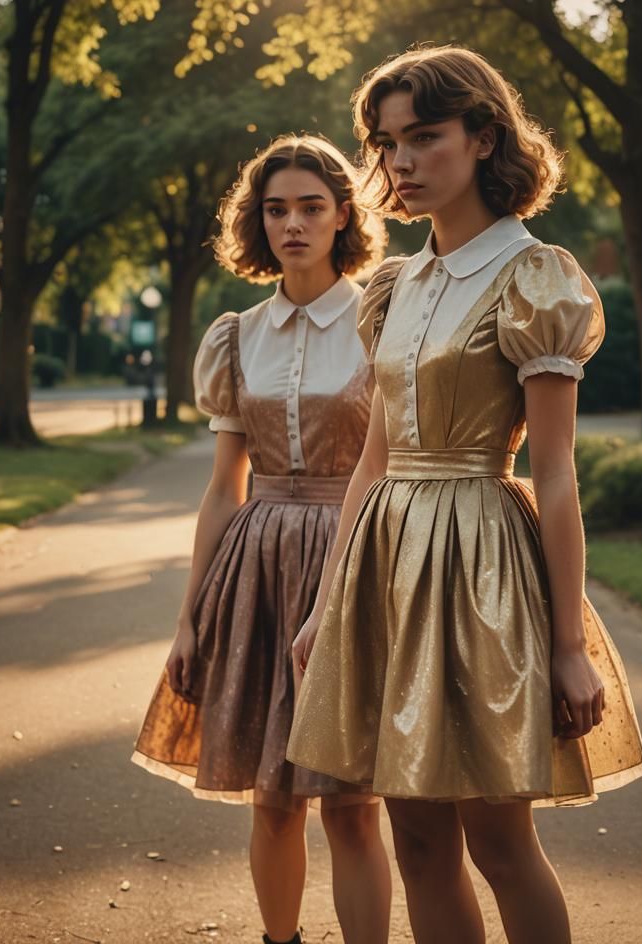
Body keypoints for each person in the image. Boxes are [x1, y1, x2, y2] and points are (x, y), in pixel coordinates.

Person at [287, 47, 642, 943]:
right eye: (386, 144)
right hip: (386, 566)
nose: (399, 162)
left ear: (485, 138)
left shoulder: (535, 277)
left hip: (482, 565)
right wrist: (327, 606)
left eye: (424, 137)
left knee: (499, 840)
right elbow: (373, 461)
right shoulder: (394, 287)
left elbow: (554, 472)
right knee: (415, 839)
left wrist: (568, 645)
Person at [132, 134, 392, 944]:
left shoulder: (382, 318)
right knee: (273, 802)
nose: (293, 225)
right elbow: (223, 488)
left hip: (354, 558)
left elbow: (391, 465)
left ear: (343, 215)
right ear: (259, 222)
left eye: (311, 207)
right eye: (276, 210)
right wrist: (188, 619)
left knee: (351, 806)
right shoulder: (237, 335)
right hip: (259, 567)